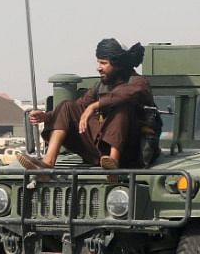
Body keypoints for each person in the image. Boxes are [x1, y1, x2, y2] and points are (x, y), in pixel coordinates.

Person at [17, 38, 155, 170]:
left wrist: (94, 106)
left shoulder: (138, 83)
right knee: (66, 107)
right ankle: (47, 164)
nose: (98, 68)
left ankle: (114, 162)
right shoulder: (100, 86)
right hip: (101, 151)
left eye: (103, 63)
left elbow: (122, 95)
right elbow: (79, 106)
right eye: (98, 62)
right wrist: (46, 116)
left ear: (118, 64)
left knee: (121, 107)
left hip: (131, 153)